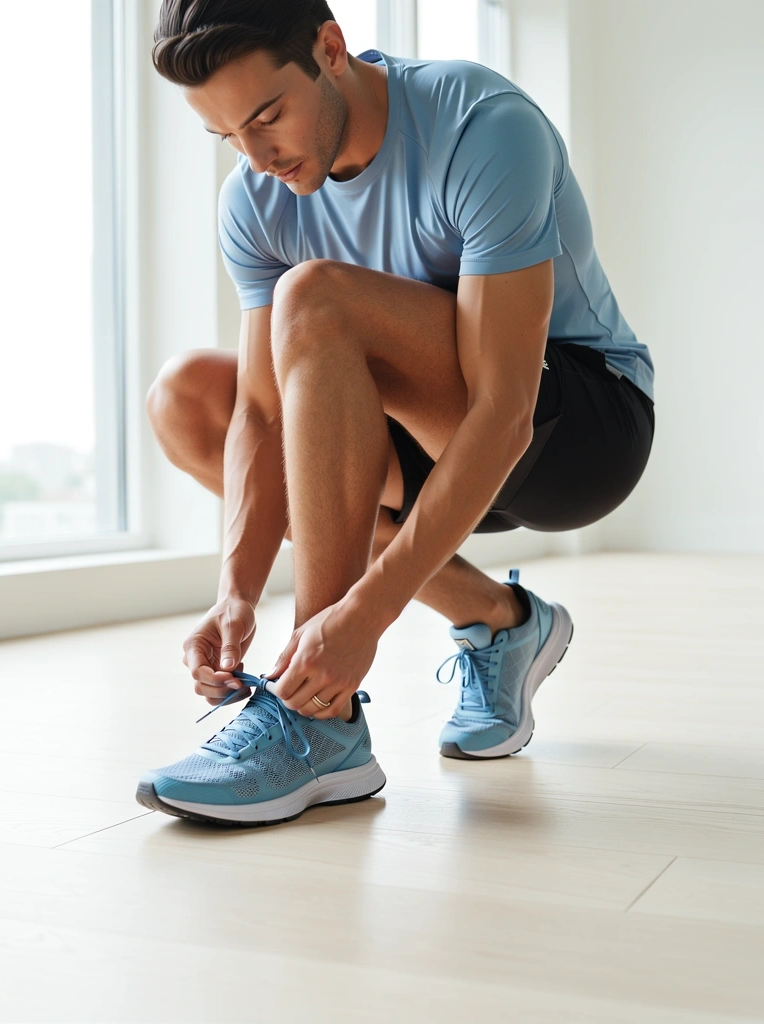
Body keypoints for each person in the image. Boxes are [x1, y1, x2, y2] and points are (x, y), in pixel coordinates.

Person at [135, 0, 655, 826]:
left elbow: (504, 412)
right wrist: (236, 591)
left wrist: (365, 619)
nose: (257, 158)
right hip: (418, 437)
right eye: (227, 136)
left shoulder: (482, 125)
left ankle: (318, 718)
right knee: (188, 399)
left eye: (266, 118)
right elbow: (262, 415)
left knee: (314, 297)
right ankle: (499, 622)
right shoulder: (256, 196)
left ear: (330, 49)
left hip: (574, 433)